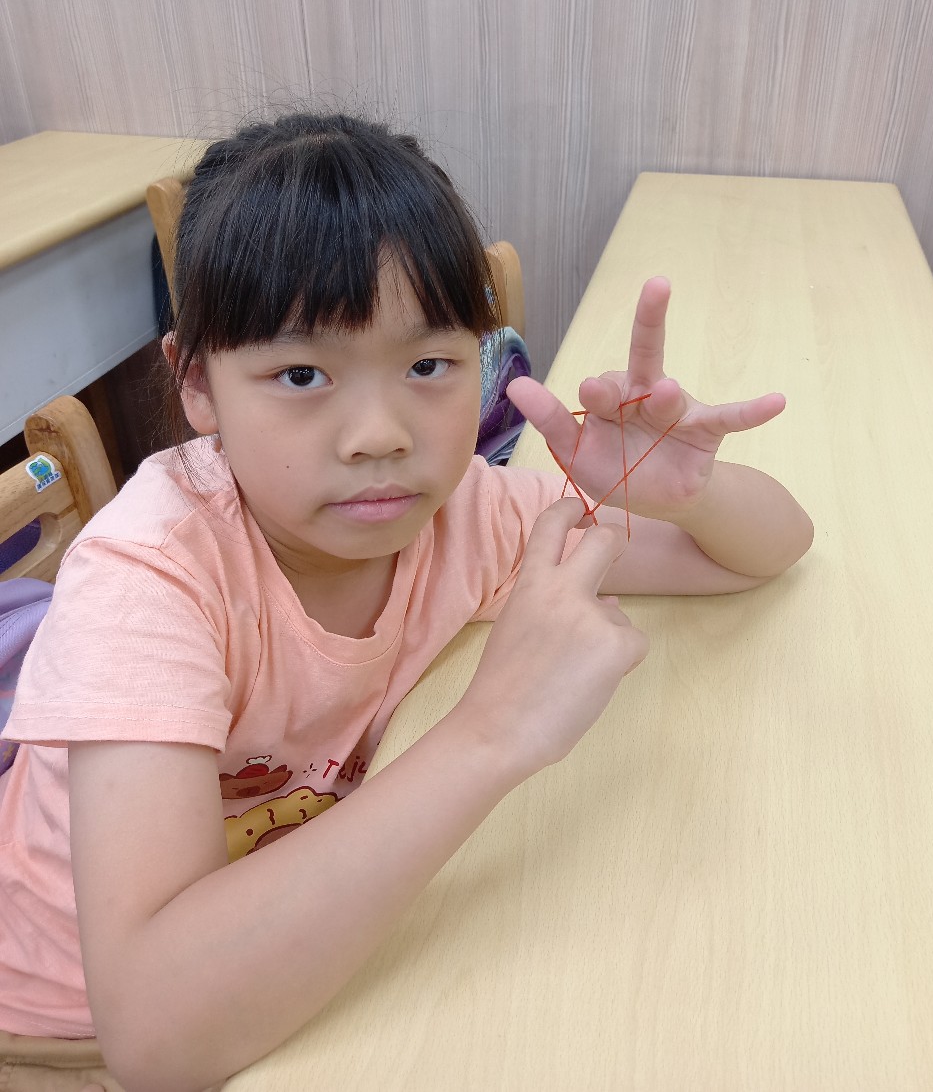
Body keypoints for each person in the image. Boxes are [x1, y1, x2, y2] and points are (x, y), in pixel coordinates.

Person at [0, 112, 813, 1092]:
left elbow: (759, 553)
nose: (379, 435)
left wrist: (685, 492)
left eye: (428, 365)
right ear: (198, 385)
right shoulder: (152, 576)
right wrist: (493, 728)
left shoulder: (461, 511)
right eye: (302, 374)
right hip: (61, 1028)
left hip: (291, 955)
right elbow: (154, 1037)